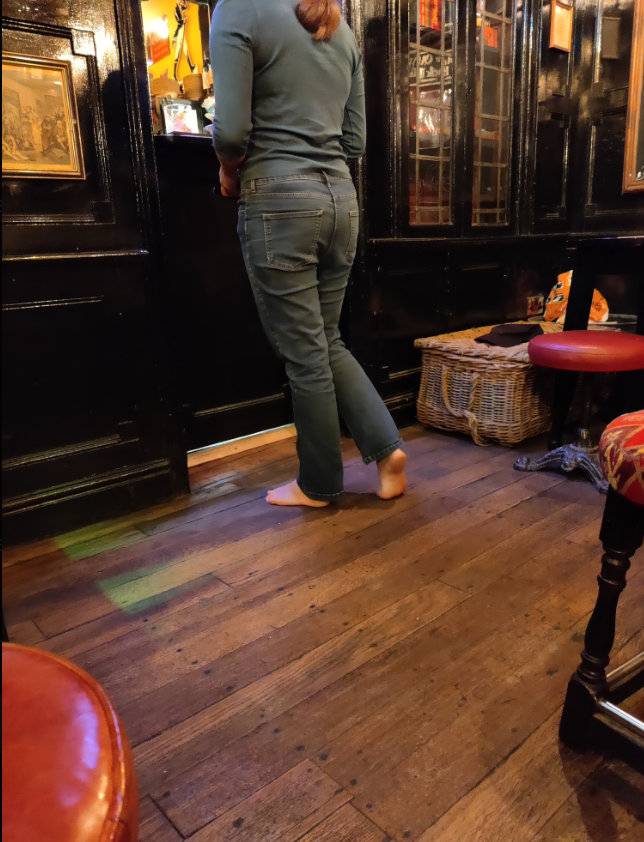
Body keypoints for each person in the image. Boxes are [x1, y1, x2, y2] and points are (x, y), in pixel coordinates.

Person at [210, 0, 407, 507]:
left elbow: (230, 133)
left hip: (280, 202)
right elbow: (355, 140)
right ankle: (387, 450)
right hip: (341, 201)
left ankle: (317, 483)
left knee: (305, 353)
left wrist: (229, 174)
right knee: (324, 340)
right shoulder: (339, 27)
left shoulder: (239, 10)